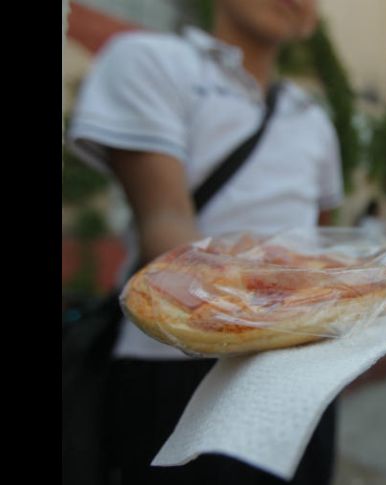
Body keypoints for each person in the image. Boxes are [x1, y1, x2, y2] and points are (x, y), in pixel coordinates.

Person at [66, 1, 343, 484]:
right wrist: (285, 293)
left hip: (298, 379)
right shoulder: (149, 60)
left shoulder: (314, 119)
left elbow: (320, 236)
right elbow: (165, 224)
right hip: (179, 365)